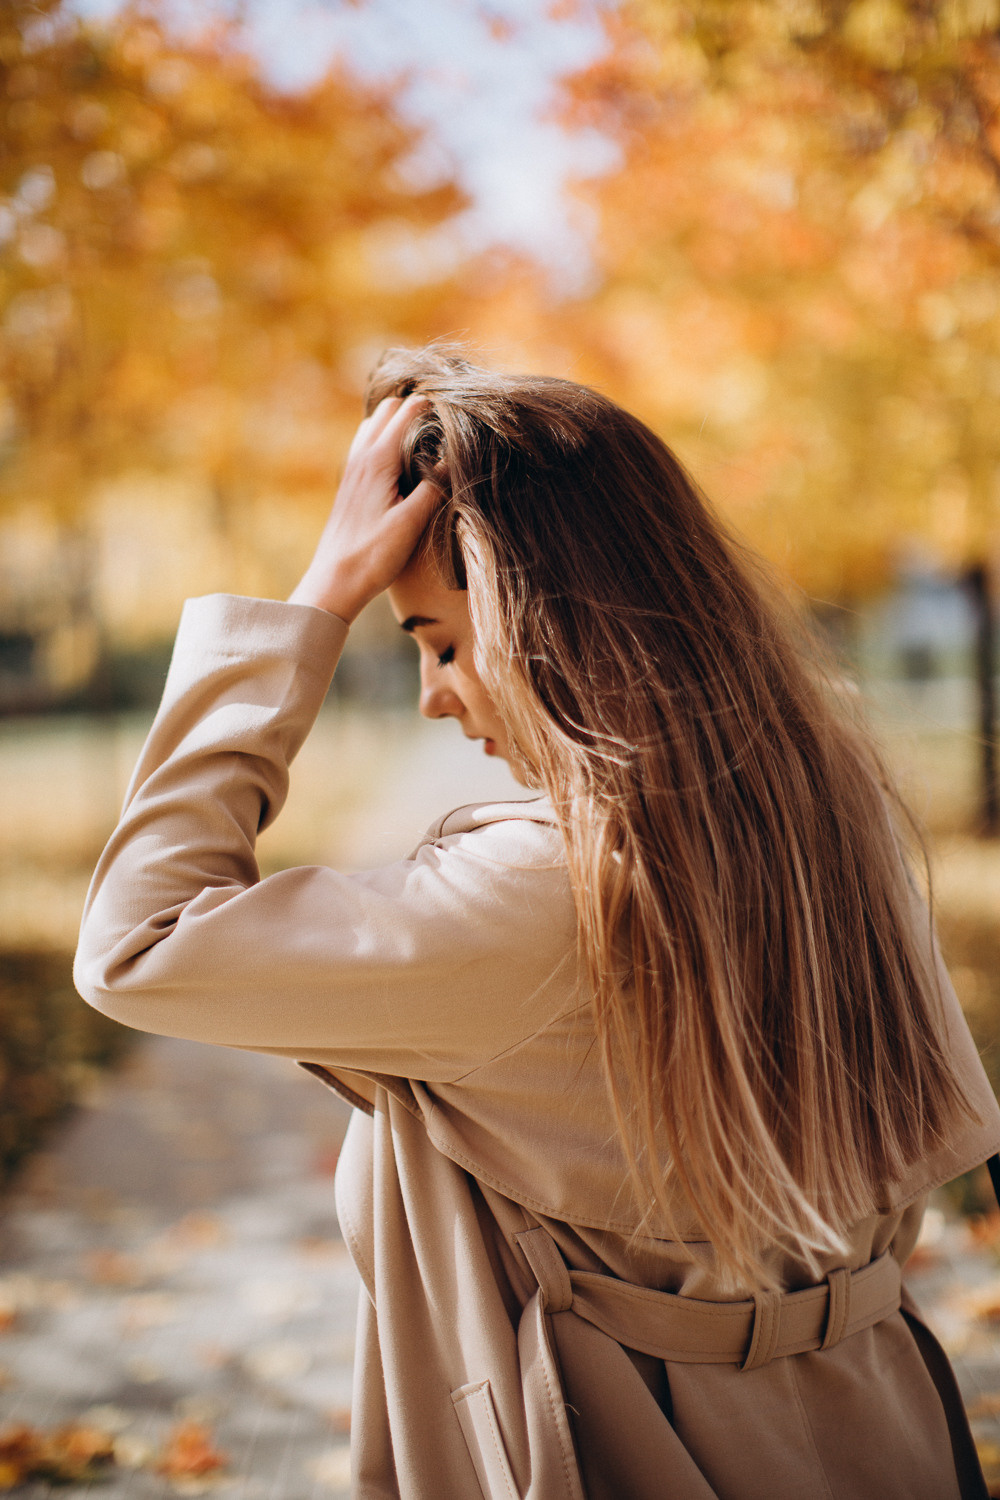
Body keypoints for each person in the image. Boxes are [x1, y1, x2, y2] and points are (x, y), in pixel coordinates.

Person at [75, 346, 1000, 1500]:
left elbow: (136, 940)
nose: (434, 696)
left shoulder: (530, 898)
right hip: (889, 1421)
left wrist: (315, 601)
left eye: (445, 644)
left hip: (634, 1451)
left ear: (539, 613)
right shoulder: (834, 813)